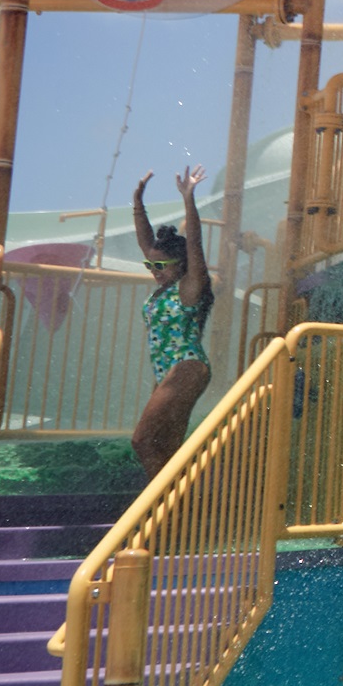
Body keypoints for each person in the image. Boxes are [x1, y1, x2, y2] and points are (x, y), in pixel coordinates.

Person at [130, 167, 215, 478]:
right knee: (165, 445)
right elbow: (146, 242)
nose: (154, 271)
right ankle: (184, 498)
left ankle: (165, 500)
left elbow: (195, 246)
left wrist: (188, 199)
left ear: (180, 264)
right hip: (167, 371)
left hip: (186, 366)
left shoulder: (189, 287)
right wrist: (138, 203)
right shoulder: (164, 288)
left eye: (160, 265)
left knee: (142, 441)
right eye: (150, 265)